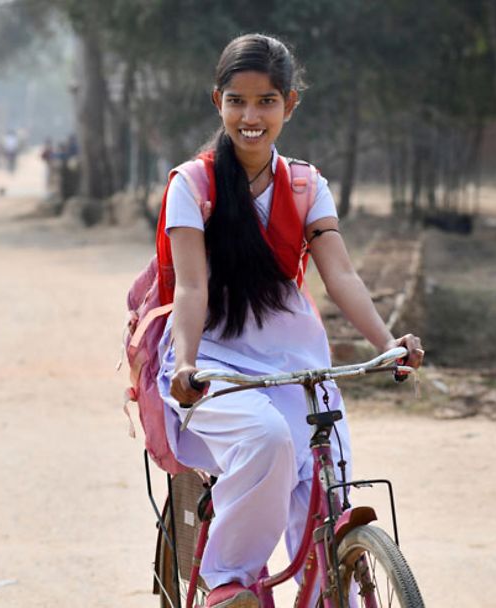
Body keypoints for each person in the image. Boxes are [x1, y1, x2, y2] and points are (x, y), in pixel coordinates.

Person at [156, 34, 424, 608]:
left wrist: (388, 342)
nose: (250, 117)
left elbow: (341, 277)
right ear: (217, 102)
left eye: (267, 101)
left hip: (297, 362)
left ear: (290, 104)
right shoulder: (192, 185)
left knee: (331, 488)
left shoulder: (306, 185)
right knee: (268, 438)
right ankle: (229, 581)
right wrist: (184, 363)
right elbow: (192, 286)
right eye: (237, 101)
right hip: (214, 360)